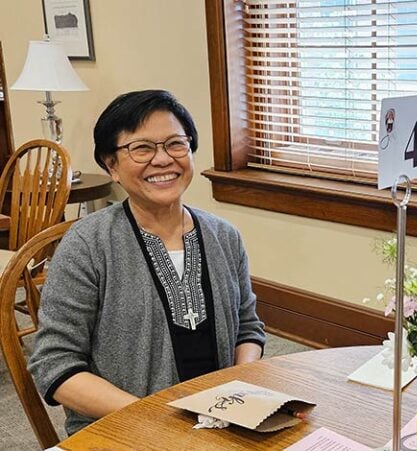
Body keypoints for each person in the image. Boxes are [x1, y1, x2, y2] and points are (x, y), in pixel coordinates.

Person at [29, 89, 267, 435]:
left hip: (222, 421)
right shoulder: (87, 245)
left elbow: (248, 328)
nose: (163, 159)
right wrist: (155, 416)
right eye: (141, 148)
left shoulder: (224, 236)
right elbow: (55, 363)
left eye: (175, 144)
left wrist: (238, 386)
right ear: (112, 165)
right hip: (123, 427)